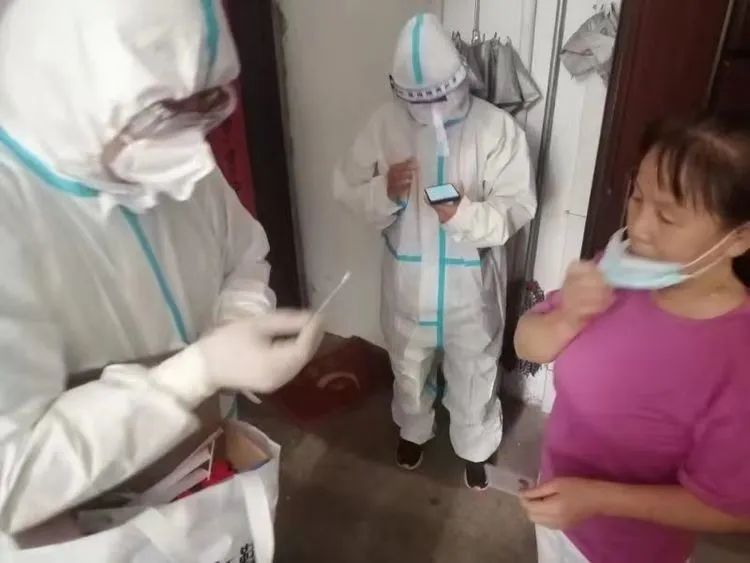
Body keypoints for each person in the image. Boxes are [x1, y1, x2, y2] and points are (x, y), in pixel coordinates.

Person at [0, 0, 322, 536]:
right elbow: (12, 480)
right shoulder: (15, 215)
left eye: (203, 105)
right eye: (162, 113)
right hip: (93, 529)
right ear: (69, 83)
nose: (191, 150)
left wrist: (236, 324)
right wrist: (192, 376)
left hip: (207, 467)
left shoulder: (172, 161)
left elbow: (243, 254)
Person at [515, 117, 750, 562]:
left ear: (738, 238)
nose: (639, 229)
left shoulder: (737, 356)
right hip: (557, 511)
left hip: (627, 551)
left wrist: (597, 499)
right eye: (638, 197)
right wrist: (567, 317)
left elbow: (733, 509)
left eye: (667, 216)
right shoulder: (619, 269)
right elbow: (527, 345)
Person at [333, 13, 537, 490]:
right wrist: (385, 190)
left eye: (439, 99)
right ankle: (413, 431)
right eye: (416, 103)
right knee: (408, 364)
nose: (429, 113)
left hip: (471, 285)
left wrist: (464, 215)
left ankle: (475, 447)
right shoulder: (384, 125)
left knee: (475, 369)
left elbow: (516, 206)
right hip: (408, 282)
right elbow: (346, 188)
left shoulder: (495, 129)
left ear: (460, 79)